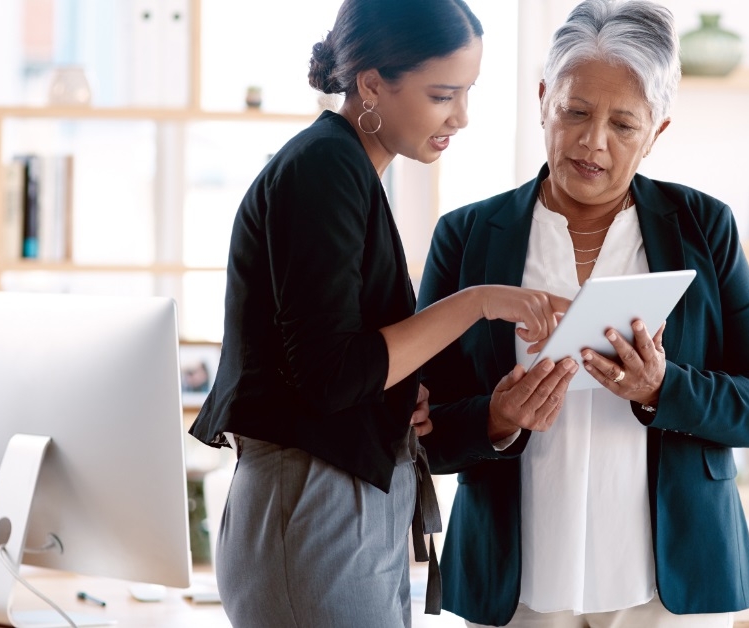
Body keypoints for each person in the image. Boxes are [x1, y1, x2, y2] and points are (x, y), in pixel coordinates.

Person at [187, 1, 574, 626]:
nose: (462, 117)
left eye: (468, 93)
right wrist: (478, 301)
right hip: (314, 506)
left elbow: (338, 362)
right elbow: (331, 374)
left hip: (335, 504)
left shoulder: (348, 169)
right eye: (442, 95)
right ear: (371, 84)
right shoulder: (326, 167)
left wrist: (396, 393)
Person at [417, 1, 749, 626]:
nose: (593, 141)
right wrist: (497, 418)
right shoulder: (466, 236)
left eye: (624, 124)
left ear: (657, 132)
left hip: (670, 588)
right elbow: (418, 434)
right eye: (575, 111)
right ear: (543, 99)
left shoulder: (704, 227)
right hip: (518, 586)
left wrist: (663, 388)